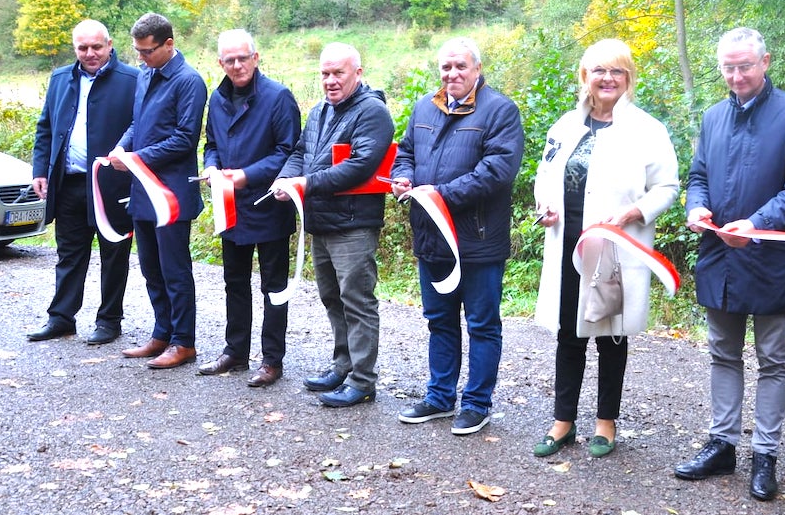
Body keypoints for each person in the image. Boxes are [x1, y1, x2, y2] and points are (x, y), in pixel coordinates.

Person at [677, 26, 785, 501]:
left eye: (745, 66)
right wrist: (696, 207)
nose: (737, 76)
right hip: (718, 254)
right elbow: (698, 176)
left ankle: (766, 455)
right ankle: (722, 444)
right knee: (722, 351)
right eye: (728, 67)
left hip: (770, 255)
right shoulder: (714, 116)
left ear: (766, 62)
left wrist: (756, 224)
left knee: (773, 358)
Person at [531, 39, 679, 458]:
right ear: (585, 76)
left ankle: (606, 423)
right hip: (568, 245)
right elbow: (544, 176)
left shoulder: (648, 129)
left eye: (617, 71)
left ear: (628, 78)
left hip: (616, 247)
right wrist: (544, 204)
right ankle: (563, 422)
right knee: (568, 334)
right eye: (599, 70)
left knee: (610, 334)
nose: (607, 78)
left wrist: (636, 211)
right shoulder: (564, 126)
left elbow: (667, 186)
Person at [390, 37, 524, 436]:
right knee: (439, 321)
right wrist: (405, 177)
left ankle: (477, 403)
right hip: (431, 238)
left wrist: (441, 194)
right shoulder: (423, 108)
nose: (452, 74)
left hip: (477, 240)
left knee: (482, 324)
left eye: (460, 67)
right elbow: (406, 152)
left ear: (477, 69)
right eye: (446, 67)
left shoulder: (500, 110)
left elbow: (498, 170)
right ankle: (439, 397)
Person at [272, 42, 393, 407]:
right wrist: (286, 178)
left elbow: (360, 166)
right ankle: (343, 365)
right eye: (325, 73)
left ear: (358, 72)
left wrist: (306, 184)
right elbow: (300, 154)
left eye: (338, 73)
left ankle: (363, 381)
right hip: (321, 222)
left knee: (357, 301)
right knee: (331, 298)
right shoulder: (319, 110)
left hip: (354, 224)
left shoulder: (373, 112)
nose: (330, 80)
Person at [197, 30, 300, 388]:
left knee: (274, 287)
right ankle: (235, 352)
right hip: (231, 207)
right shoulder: (218, 98)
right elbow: (211, 145)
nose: (237, 65)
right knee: (234, 283)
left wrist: (245, 176)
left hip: (269, 204)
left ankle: (272, 360)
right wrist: (211, 166)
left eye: (243, 58)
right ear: (220, 63)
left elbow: (289, 152)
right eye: (230, 60)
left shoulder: (278, 97)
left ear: (257, 58)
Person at [27, 20, 138, 346]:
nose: (90, 54)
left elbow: (140, 128)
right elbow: (45, 127)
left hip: (112, 185)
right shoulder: (61, 78)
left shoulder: (131, 80)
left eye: (96, 47)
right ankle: (61, 318)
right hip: (69, 184)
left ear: (110, 45)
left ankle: (109, 320)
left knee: (114, 254)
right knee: (69, 254)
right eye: (82, 48)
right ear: (75, 48)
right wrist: (40, 170)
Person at [111, 13, 207, 370]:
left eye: (147, 51)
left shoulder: (189, 81)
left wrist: (137, 158)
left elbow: (185, 139)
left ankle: (184, 342)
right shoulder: (146, 74)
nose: (141, 58)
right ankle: (161, 333)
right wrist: (122, 149)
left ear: (168, 44)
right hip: (143, 192)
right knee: (150, 268)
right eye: (137, 51)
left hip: (172, 194)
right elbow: (138, 123)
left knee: (174, 270)